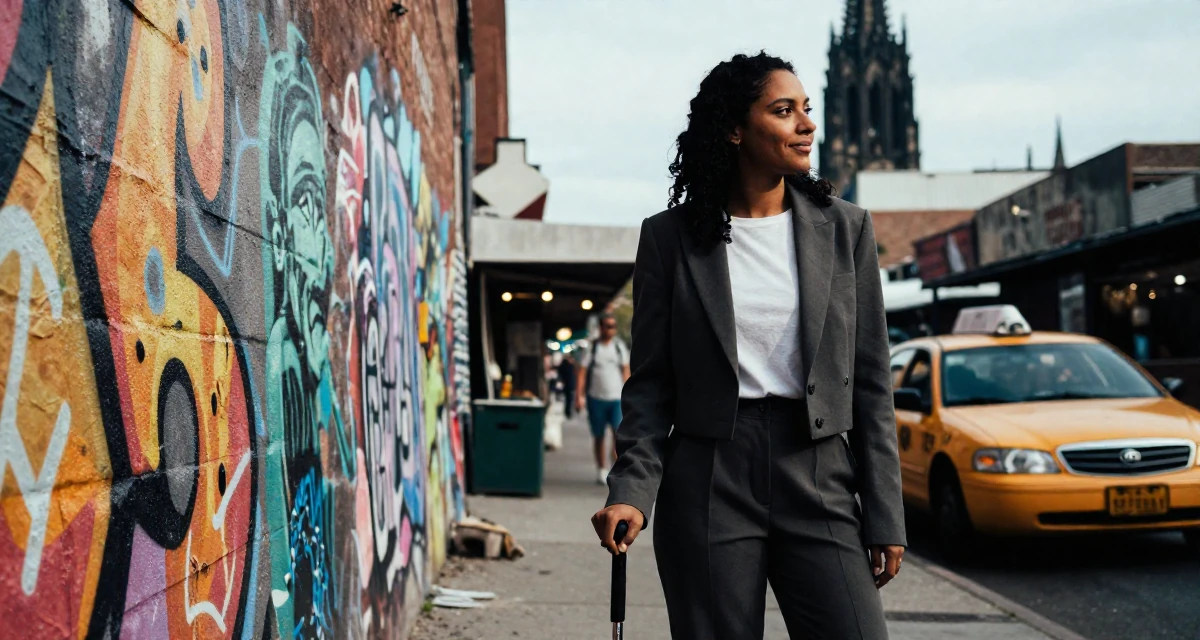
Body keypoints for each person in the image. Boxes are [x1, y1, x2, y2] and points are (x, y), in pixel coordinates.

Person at [590, 52, 906, 639]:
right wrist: (632, 491)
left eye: (806, 110)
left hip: (817, 468)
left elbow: (870, 379)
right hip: (710, 475)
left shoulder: (845, 228)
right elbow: (652, 382)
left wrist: (885, 511)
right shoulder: (670, 238)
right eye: (784, 111)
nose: (806, 124)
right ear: (735, 128)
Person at [577, 314, 631, 485]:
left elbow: (625, 371)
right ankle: (601, 468)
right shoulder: (592, 348)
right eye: (607, 326)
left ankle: (616, 469)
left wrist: (629, 395)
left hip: (616, 398)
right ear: (600, 328)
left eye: (613, 326)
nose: (610, 329)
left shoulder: (619, 347)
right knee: (599, 436)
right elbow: (582, 373)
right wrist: (578, 396)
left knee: (617, 435)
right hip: (596, 398)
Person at [556, 353, 578, 419]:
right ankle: (568, 412)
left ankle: (567, 411)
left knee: (568, 399)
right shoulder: (570, 366)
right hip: (569, 385)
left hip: (566, 384)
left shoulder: (563, 365)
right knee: (569, 399)